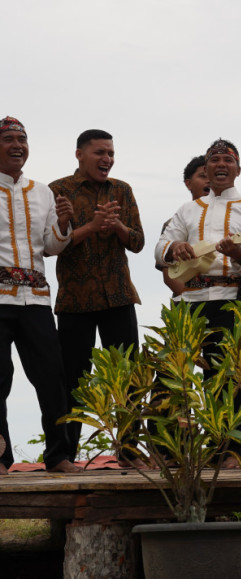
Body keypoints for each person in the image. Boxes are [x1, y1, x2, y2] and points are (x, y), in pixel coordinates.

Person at [155, 137, 241, 461]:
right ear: (205, 168)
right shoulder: (187, 210)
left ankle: (228, 453)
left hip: (228, 298)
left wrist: (238, 254)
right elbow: (159, 248)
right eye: (214, 160)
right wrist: (173, 249)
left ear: (237, 169)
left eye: (227, 160)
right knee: (171, 373)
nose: (221, 165)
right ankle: (169, 452)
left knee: (226, 375)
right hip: (189, 299)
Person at [49, 130, 145, 459]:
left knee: (129, 376)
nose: (107, 159)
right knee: (74, 379)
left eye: (111, 153)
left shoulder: (122, 190)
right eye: (100, 152)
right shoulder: (58, 190)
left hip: (119, 297)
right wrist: (90, 226)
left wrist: (117, 227)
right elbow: (50, 246)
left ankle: (129, 451)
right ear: (79, 154)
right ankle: (65, 455)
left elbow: (138, 242)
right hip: (76, 301)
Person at [0, 116, 80, 475]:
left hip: (35, 299)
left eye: (23, 139)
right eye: (9, 139)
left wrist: (63, 224)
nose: (18, 145)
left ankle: (58, 455)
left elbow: (51, 247)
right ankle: (1, 458)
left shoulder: (43, 191)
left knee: (52, 376)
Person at [161, 155, 210, 298]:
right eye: (202, 176)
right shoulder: (174, 223)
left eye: (212, 176)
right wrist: (196, 300)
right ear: (188, 184)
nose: (209, 180)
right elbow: (169, 276)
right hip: (191, 304)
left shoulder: (233, 217)